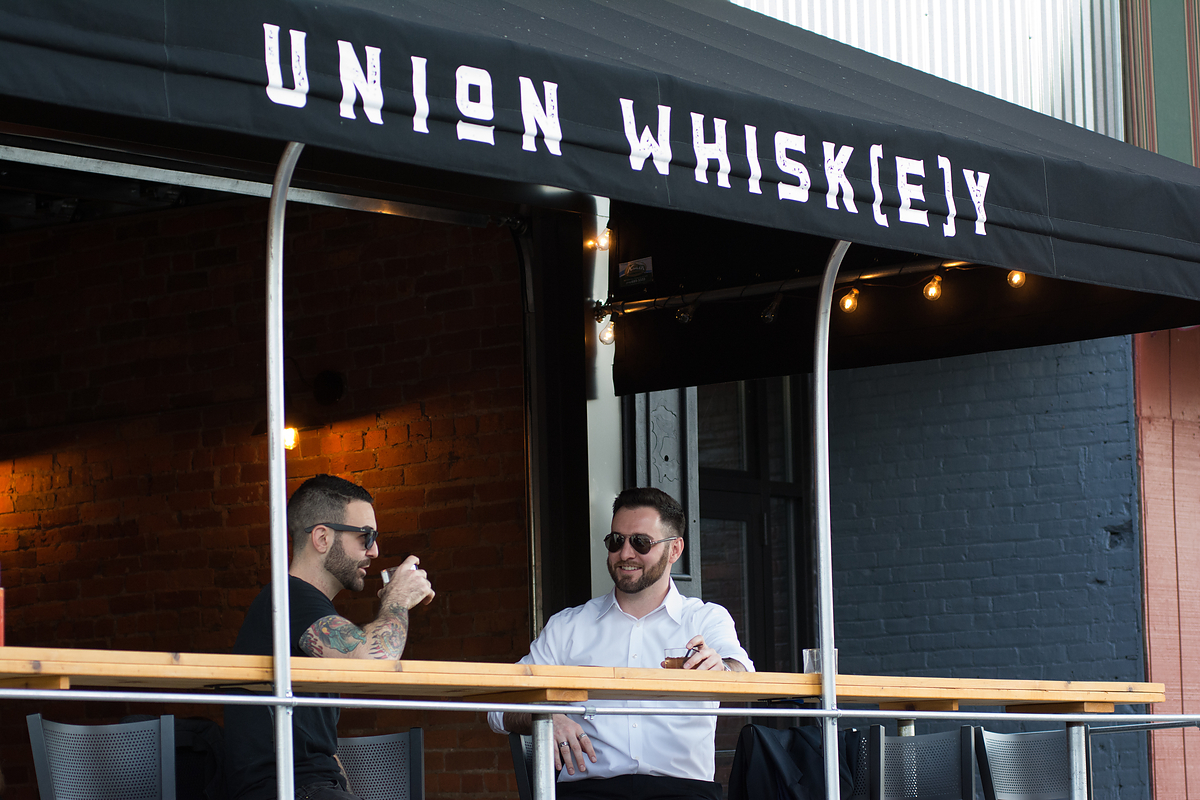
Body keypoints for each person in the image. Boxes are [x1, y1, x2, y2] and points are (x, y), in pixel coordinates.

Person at [488, 487, 753, 800]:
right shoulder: (569, 625)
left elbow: (743, 674)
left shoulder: (706, 619)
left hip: (683, 791)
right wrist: (544, 718)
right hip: (590, 791)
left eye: (640, 542)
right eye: (616, 541)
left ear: (675, 550)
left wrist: (719, 668)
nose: (626, 553)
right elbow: (498, 707)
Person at [225, 474, 434, 800]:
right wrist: (397, 600)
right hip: (285, 789)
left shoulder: (305, 607)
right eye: (366, 537)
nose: (375, 551)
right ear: (322, 538)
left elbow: (322, 749)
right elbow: (370, 662)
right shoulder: (288, 599)